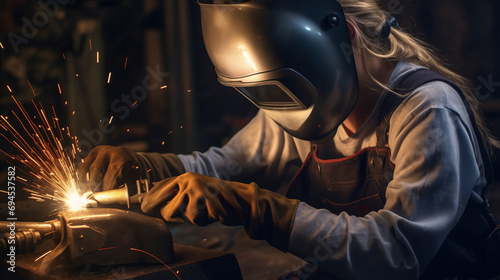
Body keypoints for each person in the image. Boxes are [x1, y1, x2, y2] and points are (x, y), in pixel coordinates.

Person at [78, 0, 500, 279]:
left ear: (345, 37)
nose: (278, 107)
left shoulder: (426, 109)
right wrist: (153, 168)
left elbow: (396, 253)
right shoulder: (301, 102)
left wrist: (256, 208)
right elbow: (224, 166)